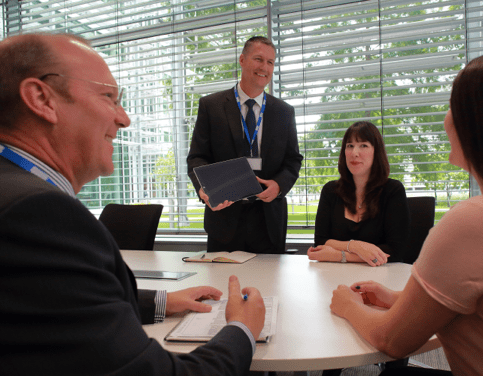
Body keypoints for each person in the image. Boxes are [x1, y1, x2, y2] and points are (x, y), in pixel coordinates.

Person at [0, 32, 265, 376]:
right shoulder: (40, 215)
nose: (124, 118)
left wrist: (162, 302)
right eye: (109, 97)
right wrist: (242, 329)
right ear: (42, 98)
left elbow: (55, 301)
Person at [329, 49, 483, 376]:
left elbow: (391, 340)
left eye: (453, 106)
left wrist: (347, 306)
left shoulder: (480, 219)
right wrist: (399, 299)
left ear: (482, 123)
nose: (445, 118)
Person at [187, 36, 303, 254]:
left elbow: (293, 160)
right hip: (224, 219)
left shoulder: (284, 112)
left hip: (269, 223)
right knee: (222, 286)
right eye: (258, 59)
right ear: (242, 60)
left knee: (269, 287)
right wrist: (205, 190)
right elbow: (196, 157)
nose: (264, 67)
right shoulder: (211, 106)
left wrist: (278, 186)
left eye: (270, 62)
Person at [307, 121, 410, 267]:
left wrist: (338, 255)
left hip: (382, 278)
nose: (354, 153)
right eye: (350, 146)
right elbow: (321, 242)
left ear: (376, 151)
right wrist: (355, 247)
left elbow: (394, 251)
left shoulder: (393, 190)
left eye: (363, 145)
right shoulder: (330, 191)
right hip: (334, 277)